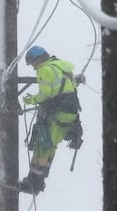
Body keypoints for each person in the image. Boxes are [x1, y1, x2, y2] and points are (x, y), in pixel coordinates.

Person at [18, 45, 82, 194]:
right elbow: (73, 86)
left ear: (38, 59)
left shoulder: (45, 69)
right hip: (71, 115)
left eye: (32, 64)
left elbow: (45, 95)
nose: (34, 68)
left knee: (42, 145)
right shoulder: (63, 67)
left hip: (57, 113)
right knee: (51, 146)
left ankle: (34, 182)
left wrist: (31, 100)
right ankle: (40, 180)